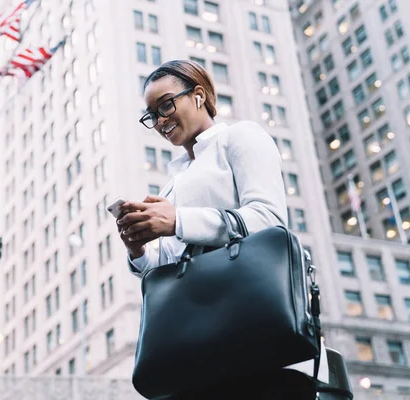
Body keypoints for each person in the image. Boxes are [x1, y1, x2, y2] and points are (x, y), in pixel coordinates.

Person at [115, 60, 328, 399]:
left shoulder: (240, 137)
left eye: (166, 104)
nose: (159, 121)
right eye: (151, 115)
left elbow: (268, 219)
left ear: (199, 95)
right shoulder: (172, 186)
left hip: (260, 338)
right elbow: (168, 270)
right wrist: (138, 248)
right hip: (201, 356)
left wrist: (178, 221)